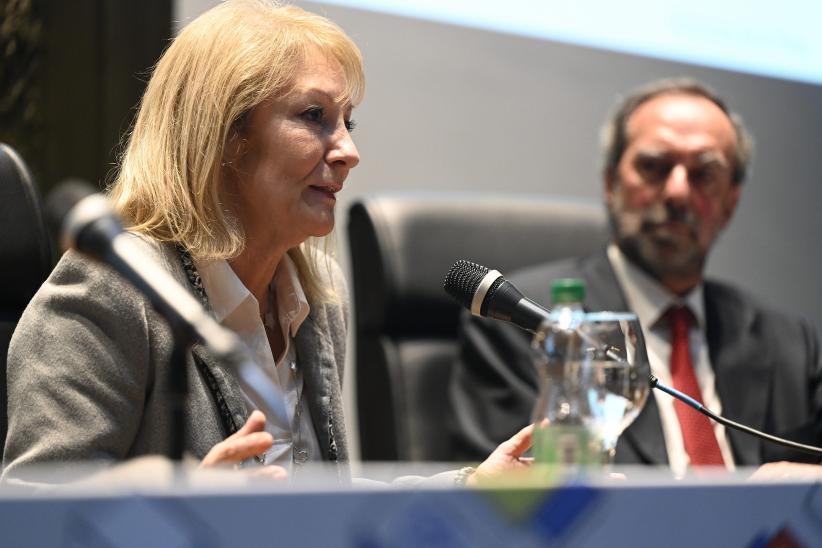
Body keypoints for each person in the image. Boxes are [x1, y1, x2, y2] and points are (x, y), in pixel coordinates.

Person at [2, 0, 529, 484]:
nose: (348, 151)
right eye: (314, 116)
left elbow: (320, 503)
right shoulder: (109, 290)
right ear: (226, 136)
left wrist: (470, 488)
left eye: (348, 123)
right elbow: (33, 512)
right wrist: (176, 510)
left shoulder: (316, 293)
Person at [449, 78, 822, 477]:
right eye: (654, 167)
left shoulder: (789, 342)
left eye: (704, 173)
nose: (678, 192)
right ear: (611, 183)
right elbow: (502, 501)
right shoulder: (519, 325)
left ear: (731, 202)